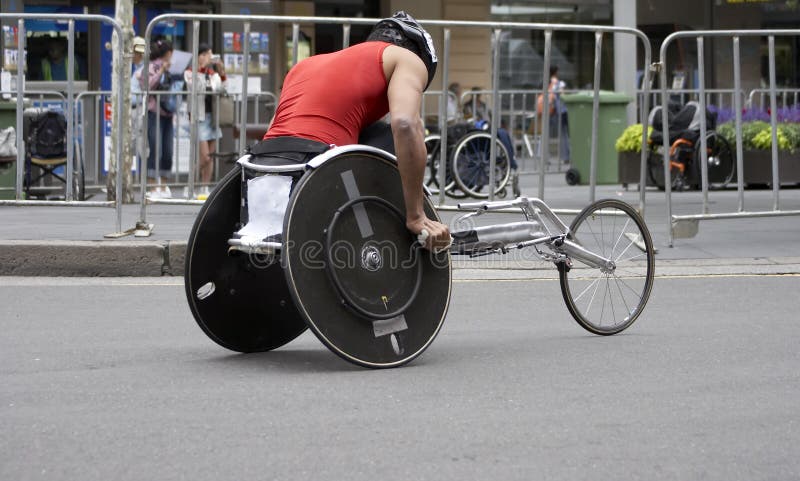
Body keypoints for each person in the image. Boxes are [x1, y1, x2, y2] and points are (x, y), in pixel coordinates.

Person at [262, 11, 450, 251]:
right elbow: (404, 124)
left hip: (266, 163)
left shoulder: (306, 64)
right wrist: (416, 215)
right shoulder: (408, 59)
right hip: (320, 166)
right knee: (403, 133)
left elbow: (273, 128)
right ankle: (402, 225)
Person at [184, 43, 227, 198]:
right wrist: (201, 68)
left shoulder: (212, 74)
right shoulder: (190, 73)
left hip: (213, 117)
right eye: (206, 54)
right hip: (199, 117)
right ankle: (190, 182)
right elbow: (196, 88)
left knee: (211, 156)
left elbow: (223, 89)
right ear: (199, 56)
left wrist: (221, 72)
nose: (209, 57)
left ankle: (204, 187)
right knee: (205, 156)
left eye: (210, 54)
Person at [139, 38, 175, 198]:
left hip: (168, 113)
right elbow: (146, 86)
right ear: (168, 53)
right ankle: (153, 186)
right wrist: (161, 71)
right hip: (154, 112)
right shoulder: (151, 67)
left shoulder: (173, 68)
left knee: (168, 150)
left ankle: (164, 185)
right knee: (156, 149)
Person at [548, 65, 570, 163]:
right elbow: (562, 94)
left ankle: (544, 156)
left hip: (551, 110)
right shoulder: (558, 83)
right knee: (564, 134)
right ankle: (566, 156)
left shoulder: (547, 83)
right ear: (556, 72)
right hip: (562, 110)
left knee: (545, 133)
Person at [130, 36, 146, 167]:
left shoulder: (144, 69)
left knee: (141, 143)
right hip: (133, 109)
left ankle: (144, 177)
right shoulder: (135, 68)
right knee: (133, 141)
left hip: (140, 109)